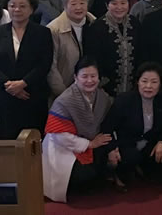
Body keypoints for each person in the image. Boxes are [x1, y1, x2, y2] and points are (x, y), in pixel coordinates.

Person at [0, 0, 53, 139]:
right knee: (7, 139)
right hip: (6, 97)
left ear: (31, 9)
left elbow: (45, 63)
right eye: (12, 6)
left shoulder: (42, 33)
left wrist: (23, 83)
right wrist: (9, 86)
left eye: (22, 6)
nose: (17, 9)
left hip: (32, 95)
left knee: (34, 141)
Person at [42, 58, 112, 203]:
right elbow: (59, 135)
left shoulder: (102, 97)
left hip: (90, 141)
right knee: (83, 174)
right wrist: (90, 144)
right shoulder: (65, 100)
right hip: (63, 146)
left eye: (93, 76)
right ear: (75, 77)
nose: (89, 81)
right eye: (84, 76)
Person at [101, 62, 162, 192]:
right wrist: (111, 149)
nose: (148, 86)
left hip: (148, 144)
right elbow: (107, 128)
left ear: (160, 84)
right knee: (131, 158)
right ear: (138, 82)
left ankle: (140, 167)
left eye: (154, 82)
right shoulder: (124, 100)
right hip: (125, 145)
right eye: (144, 81)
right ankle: (117, 173)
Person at [85, 0, 146, 97]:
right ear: (107, 5)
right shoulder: (97, 27)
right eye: (114, 3)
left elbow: (142, 52)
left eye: (123, 3)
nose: (119, 7)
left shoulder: (135, 23)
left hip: (133, 87)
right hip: (106, 88)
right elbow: (93, 57)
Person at [47, 0, 96, 99]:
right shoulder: (53, 30)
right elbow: (51, 67)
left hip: (91, 88)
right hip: (64, 91)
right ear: (64, 6)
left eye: (82, 3)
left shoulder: (94, 23)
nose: (78, 7)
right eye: (73, 4)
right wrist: (62, 93)